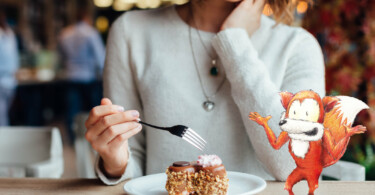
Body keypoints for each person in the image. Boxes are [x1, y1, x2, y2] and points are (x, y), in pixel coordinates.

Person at [85, 0, 324, 185]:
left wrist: (234, 41)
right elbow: (132, 163)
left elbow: (294, 164)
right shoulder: (131, 32)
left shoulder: (298, 47)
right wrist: (116, 162)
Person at [58, 8, 105, 143]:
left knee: (72, 110)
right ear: (86, 18)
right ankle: (93, 138)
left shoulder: (65, 33)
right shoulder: (90, 33)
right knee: (92, 110)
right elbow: (100, 57)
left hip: (71, 76)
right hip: (88, 77)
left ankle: (73, 139)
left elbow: (61, 57)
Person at [0, 9, 19, 126]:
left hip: (9, 79)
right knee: (2, 115)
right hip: (5, 79)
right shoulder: (6, 34)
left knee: (4, 114)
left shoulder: (10, 34)